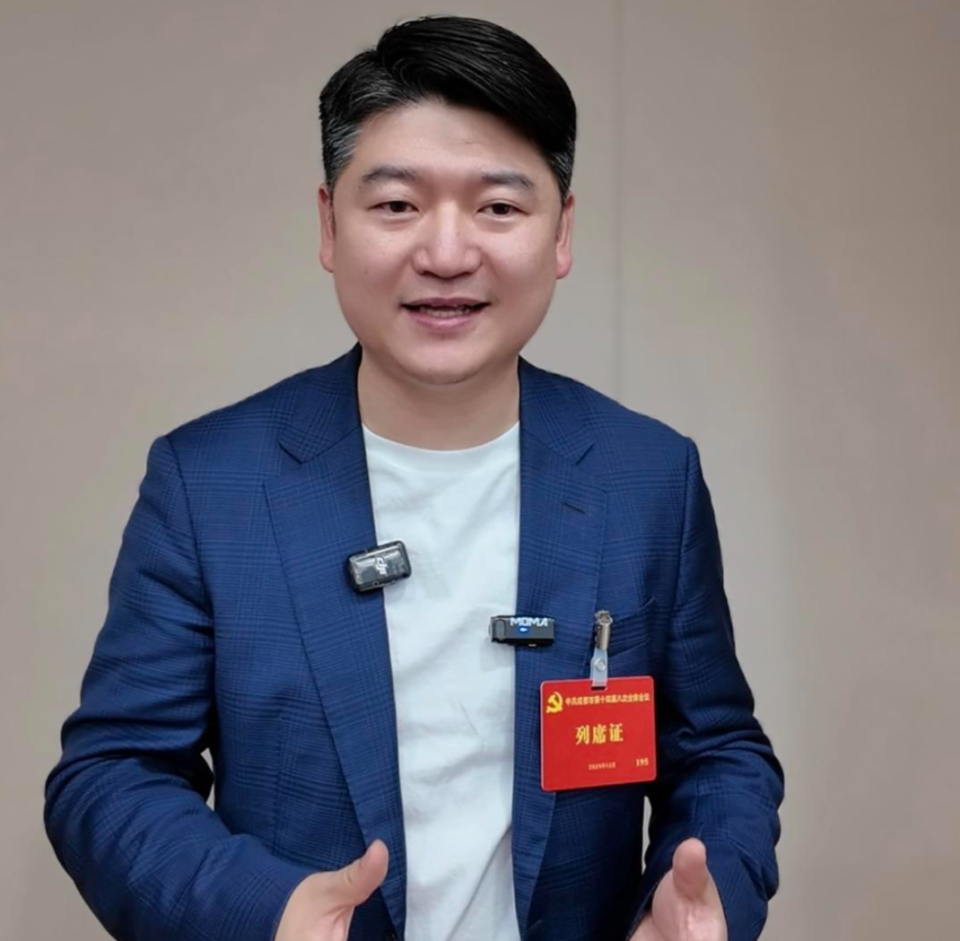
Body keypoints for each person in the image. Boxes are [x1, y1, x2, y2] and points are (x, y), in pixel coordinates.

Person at [44, 15, 783, 941]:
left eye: (498, 207)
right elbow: (112, 774)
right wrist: (262, 909)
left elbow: (718, 752)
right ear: (330, 224)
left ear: (561, 232)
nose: (445, 253)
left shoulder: (647, 477)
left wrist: (709, 894)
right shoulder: (212, 482)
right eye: (396, 205)